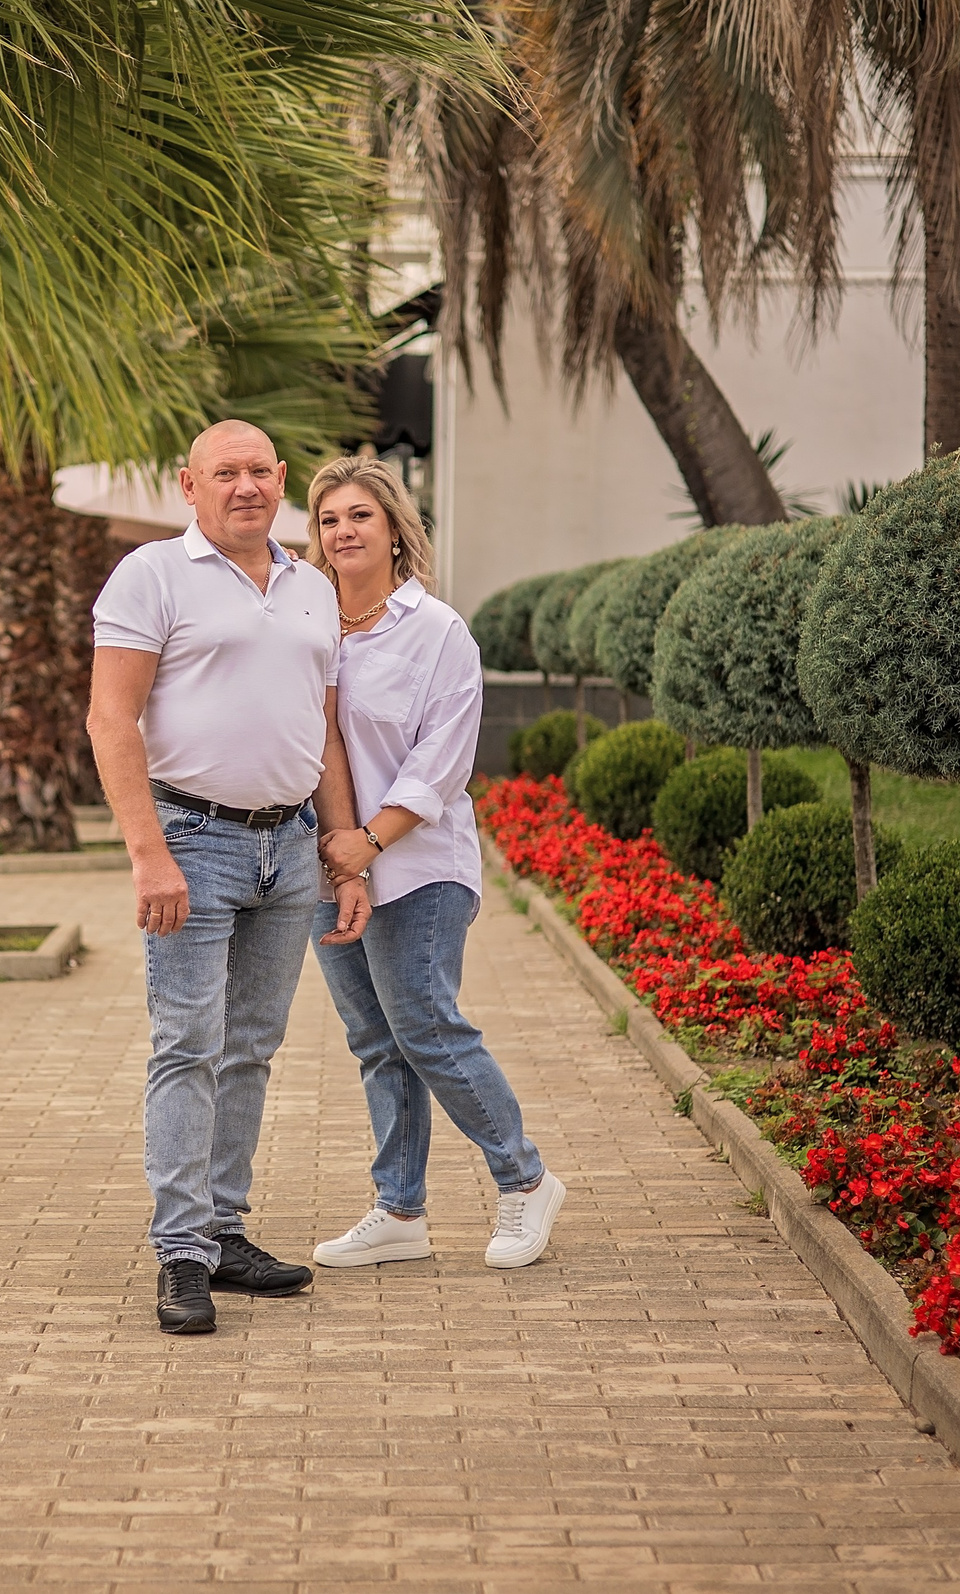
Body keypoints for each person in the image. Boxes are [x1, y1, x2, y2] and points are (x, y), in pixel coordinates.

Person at [88, 419, 373, 1336]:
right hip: (191, 840)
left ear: (281, 479)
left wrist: (342, 846)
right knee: (188, 1045)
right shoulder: (151, 576)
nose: (245, 486)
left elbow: (321, 730)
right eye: (226, 472)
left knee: (250, 1045)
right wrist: (148, 855)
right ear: (189, 485)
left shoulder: (309, 588)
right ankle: (181, 1253)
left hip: (288, 848)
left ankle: (223, 1228)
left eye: (259, 470)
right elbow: (110, 722)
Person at [304, 455, 566, 1271]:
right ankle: (400, 1211)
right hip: (330, 866)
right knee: (376, 1040)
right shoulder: (309, 625)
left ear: (393, 531)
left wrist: (370, 842)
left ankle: (525, 1181)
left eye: (359, 517)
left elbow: (442, 763)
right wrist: (339, 855)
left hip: (418, 867)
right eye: (328, 520)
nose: (342, 531)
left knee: (426, 1026)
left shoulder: (436, 630)